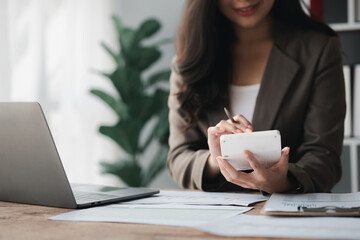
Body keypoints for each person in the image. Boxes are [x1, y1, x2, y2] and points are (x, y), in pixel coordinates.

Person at [167, 0, 346, 193]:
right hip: (214, 215)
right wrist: (216, 159)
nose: (244, 1)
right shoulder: (190, 59)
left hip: (288, 213)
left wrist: (284, 181)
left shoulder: (318, 50)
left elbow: (325, 157)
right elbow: (178, 158)